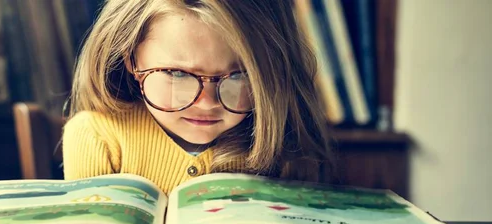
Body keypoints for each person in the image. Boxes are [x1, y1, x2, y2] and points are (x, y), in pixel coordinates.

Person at [63, 0, 332, 195]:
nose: (206, 103)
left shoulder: (285, 145)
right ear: (131, 59)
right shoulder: (96, 137)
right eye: (176, 74)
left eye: (239, 76)